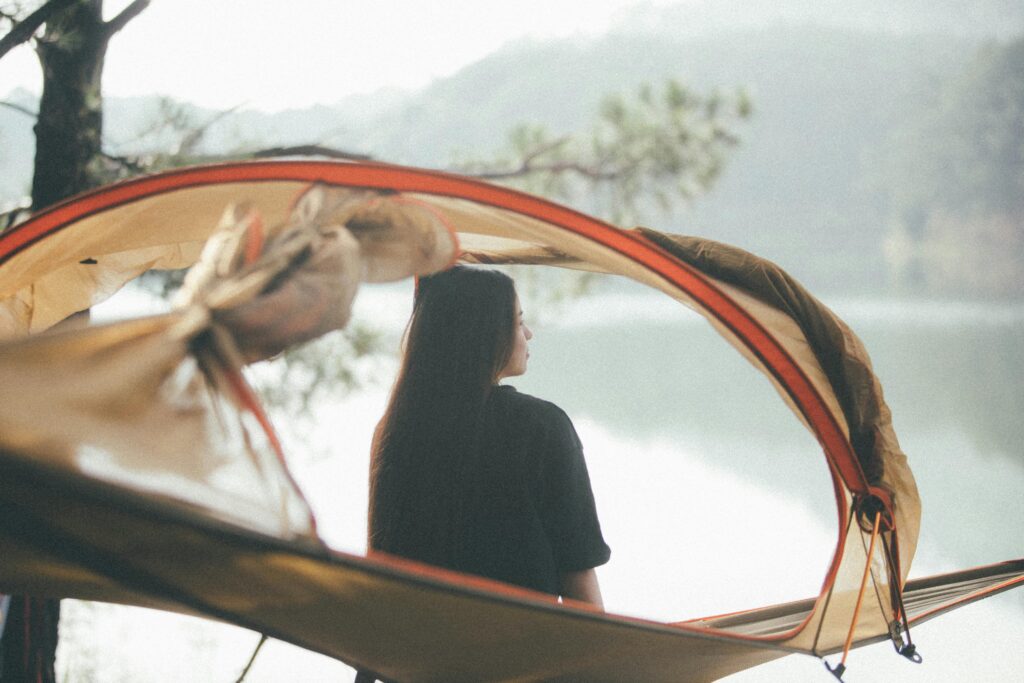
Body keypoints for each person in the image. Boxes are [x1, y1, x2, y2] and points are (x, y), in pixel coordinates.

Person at [367, 265, 610, 606]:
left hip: (417, 651)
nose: (528, 333)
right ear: (485, 333)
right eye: (518, 321)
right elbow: (579, 576)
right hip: (524, 652)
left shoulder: (395, 428)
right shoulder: (542, 427)